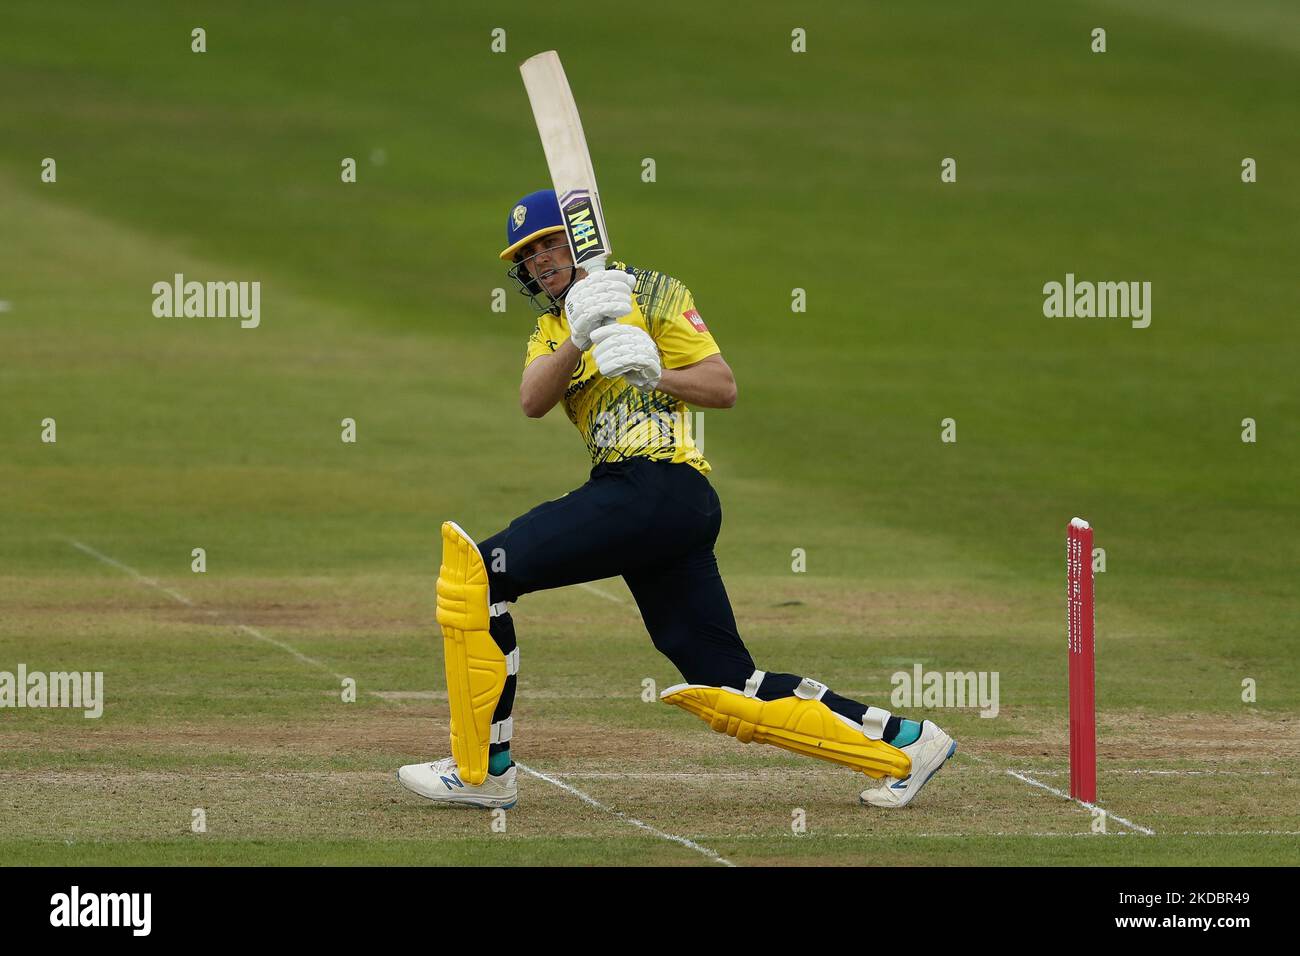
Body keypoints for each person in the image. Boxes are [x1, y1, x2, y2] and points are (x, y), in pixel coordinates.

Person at [398, 189, 956, 810]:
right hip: (646, 508)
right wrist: (580, 337)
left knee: (479, 575)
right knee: (725, 680)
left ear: (581, 238)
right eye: (528, 255)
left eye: (551, 243)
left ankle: (482, 773)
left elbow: (723, 387)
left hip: (661, 486)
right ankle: (909, 743)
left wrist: (653, 373)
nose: (541, 261)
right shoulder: (553, 329)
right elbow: (532, 399)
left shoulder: (654, 292)